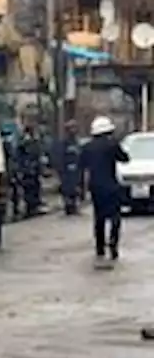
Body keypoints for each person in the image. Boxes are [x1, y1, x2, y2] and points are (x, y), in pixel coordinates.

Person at [80, 115, 129, 269]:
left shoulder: (87, 147)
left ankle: (100, 248)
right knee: (115, 217)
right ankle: (113, 246)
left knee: (99, 218)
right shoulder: (112, 144)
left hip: (95, 187)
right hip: (111, 186)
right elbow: (125, 158)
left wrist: (82, 188)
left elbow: (82, 166)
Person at [54, 119, 83, 216]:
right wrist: (61, 170)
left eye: (75, 128)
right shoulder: (64, 143)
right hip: (67, 169)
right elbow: (60, 157)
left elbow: (80, 155)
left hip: (76, 169)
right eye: (71, 128)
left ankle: (74, 205)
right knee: (67, 188)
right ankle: (68, 206)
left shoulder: (77, 142)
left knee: (76, 187)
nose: (74, 130)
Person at [15, 124, 45, 217]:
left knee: (35, 187)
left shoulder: (34, 142)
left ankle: (34, 207)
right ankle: (30, 208)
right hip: (27, 170)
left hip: (34, 170)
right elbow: (20, 157)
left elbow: (38, 155)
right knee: (29, 188)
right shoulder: (24, 143)